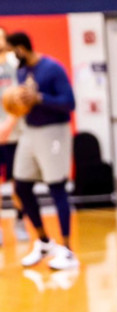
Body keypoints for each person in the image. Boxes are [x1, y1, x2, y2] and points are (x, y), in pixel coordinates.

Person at [6, 31, 78, 271]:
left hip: (54, 131)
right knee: (22, 186)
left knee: (56, 186)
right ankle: (44, 242)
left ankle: (67, 250)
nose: (7, 56)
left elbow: (69, 102)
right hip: (31, 131)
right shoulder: (22, 71)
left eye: (9, 50)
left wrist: (40, 97)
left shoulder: (52, 69)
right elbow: (25, 102)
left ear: (21, 49)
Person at [0, 28, 30, 245]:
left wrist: (8, 125)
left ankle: (20, 221)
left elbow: (23, 98)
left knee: (18, 184)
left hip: (15, 134)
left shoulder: (16, 65)